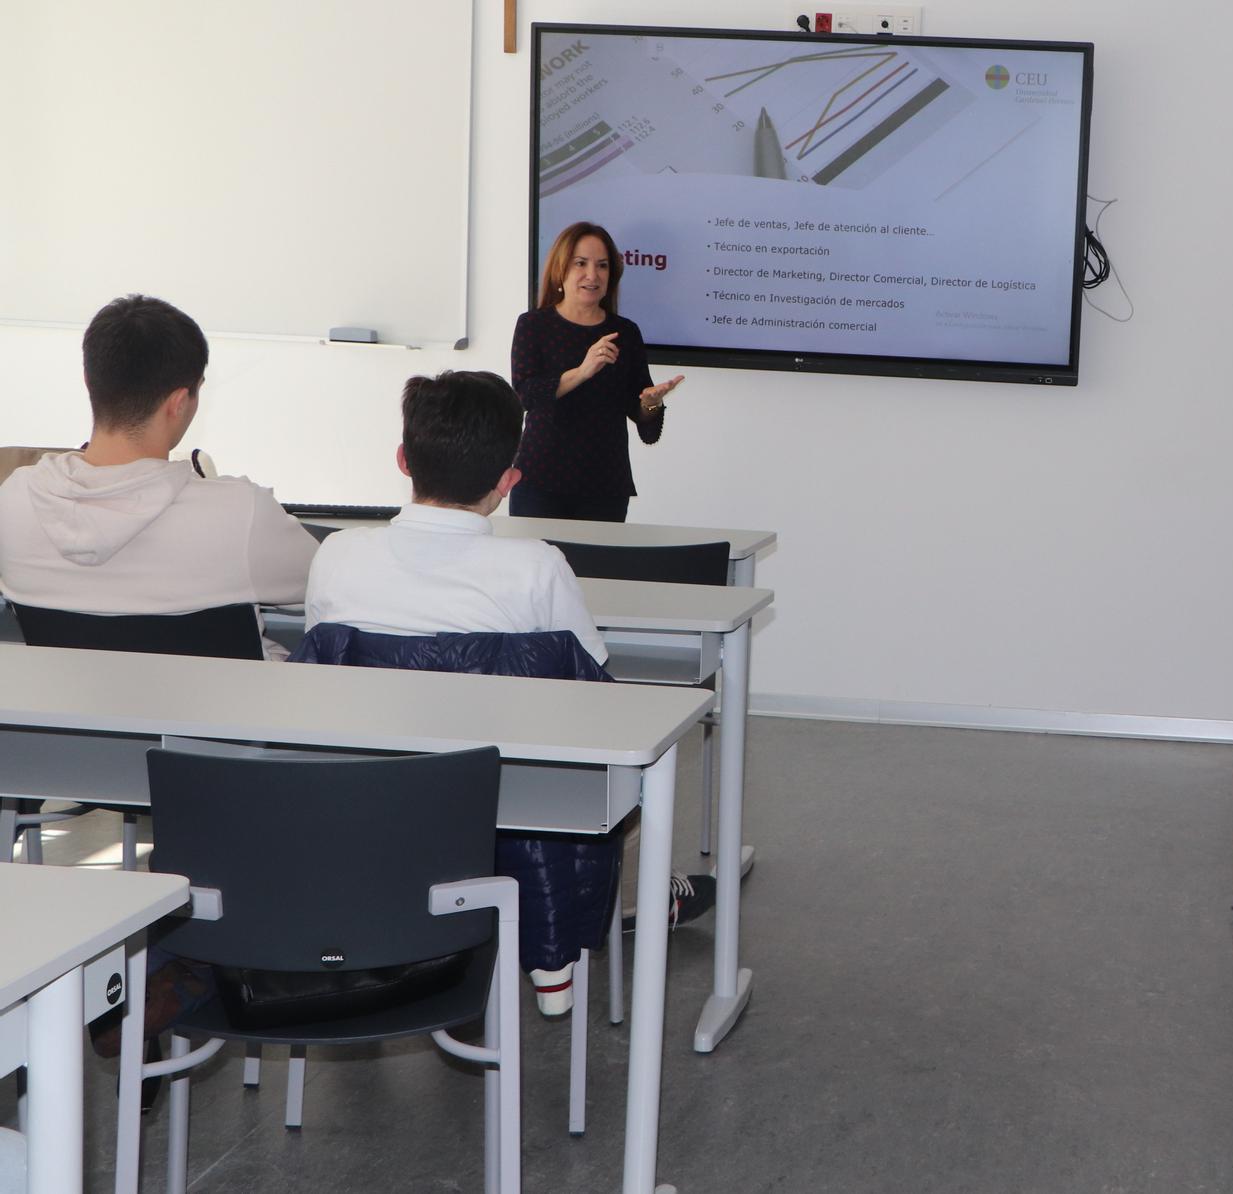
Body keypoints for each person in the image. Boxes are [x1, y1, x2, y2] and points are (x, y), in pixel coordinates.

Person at [304, 370, 712, 1015]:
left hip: (363, 817)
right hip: (511, 818)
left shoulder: (337, 557)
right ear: (508, 480)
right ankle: (588, 933)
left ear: (403, 460)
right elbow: (594, 693)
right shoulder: (536, 568)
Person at [0, 294, 318, 660]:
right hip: (227, 712)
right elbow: (330, 586)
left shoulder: (16, 502)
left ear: (89, 380)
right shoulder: (240, 516)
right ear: (179, 402)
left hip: (80, 713)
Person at [510, 221, 684, 523]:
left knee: (598, 571)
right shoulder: (533, 325)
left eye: (602, 266)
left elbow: (647, 427)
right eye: (581, 264)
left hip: (605, 485)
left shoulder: (625, 333)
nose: (593, 275)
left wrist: (651, 402)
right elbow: (525, 397)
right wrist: (582, 371)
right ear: (561, 269)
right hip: (539, 481)